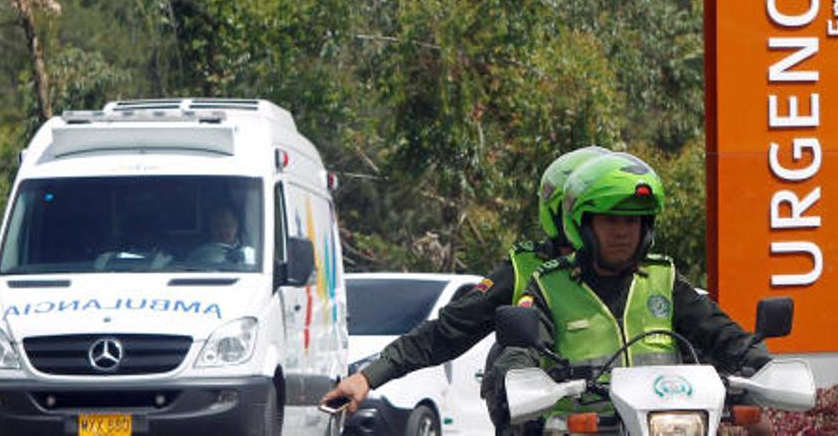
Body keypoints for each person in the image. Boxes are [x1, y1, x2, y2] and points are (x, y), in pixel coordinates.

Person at [490, 152, 773, 434]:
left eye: (631, 221)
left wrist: (759, 361)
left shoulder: (663, 278)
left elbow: (718, 330)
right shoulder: (549, 285)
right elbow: (519, 349)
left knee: (761, 429)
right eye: (610, 220)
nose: (622, 232)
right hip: (580, 428)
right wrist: (516, 374)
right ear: (583, 224)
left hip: (665, 424)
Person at [321, 146, 610, 419]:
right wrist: (368, 377)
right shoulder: (526, 271)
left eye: (625, 216)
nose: (618, 229)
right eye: (599, 215)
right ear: (563, 214)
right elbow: (446, 331)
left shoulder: (640, 277)